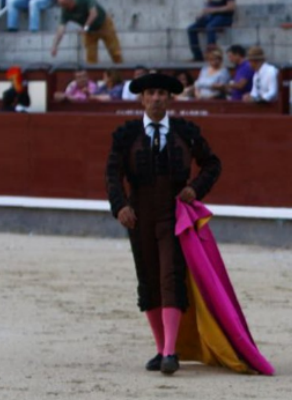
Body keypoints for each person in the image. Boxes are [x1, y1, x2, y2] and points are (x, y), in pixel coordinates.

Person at [105, 73, 222, 375]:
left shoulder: (185, 132)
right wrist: (119, 207)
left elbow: (212, 164)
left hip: (174, 214)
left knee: (170, 276)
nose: (156, 98)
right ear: (142, 99)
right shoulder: (126, 135)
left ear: (170, 99)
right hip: (139, 215)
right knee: (148, 279)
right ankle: (161, 349)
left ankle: (171, 351)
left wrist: (195, 189)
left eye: (162, 93)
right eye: (151, 93)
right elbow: (112, 175)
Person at [51, 0, 123, 64]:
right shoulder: (65, 11)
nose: (66, 8)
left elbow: (94, 13)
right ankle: (93, 77)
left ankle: (121, 73)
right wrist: (55, 46)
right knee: (90, 58)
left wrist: (85, 28)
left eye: (66, 5)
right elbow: (61, 29)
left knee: (115, 52)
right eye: (63, 6)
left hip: (104, 24)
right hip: (90, 31)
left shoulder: (84, 1)